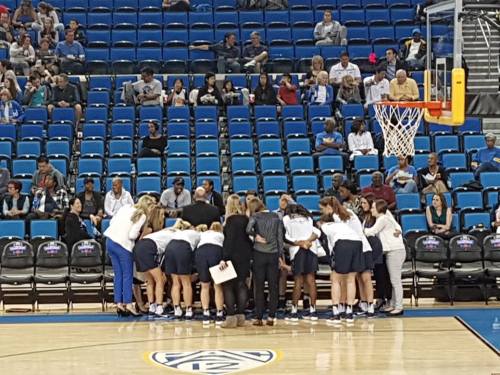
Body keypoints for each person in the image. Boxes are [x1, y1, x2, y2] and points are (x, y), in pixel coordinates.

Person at [319, 196, 371, 323]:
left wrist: (333, 261)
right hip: (358, 243)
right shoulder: (348, 214)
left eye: (322, 209)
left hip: (343, 244)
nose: (321, 212)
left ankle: (336, 312)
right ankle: (349, 312)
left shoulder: (327, 225)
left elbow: (332, 245)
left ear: (329, 208)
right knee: (350, 279)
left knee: (336, 279)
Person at [104, 195, 156, 317]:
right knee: (127, 275)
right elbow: (132, 235)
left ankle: (119, 303)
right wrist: (140, 233)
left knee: (118, 275)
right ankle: (128, 304)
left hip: (110, 241)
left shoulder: (125, 207)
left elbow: (112, 221)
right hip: (123, 245)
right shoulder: (142, 216)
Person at [364, 199, 405, 316]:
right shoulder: (384, 217)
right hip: (392, 251)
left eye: (373, 208)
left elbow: (371, 231)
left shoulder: (382, 219)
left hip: (395, 251)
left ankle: (399, 306)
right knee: (393, 280)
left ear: (378, 209)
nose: (371, 209)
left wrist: (359, 230)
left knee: (395, 281)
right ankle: (392, 304)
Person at [246, 197, 283, 326]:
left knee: (259, 287)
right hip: (273, 254)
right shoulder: (276, 216)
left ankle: (258, 317)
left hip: (259, 253)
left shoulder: (255, 216)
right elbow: (280, 238)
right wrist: (280, 256)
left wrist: (256, 235)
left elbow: (247, 230)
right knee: (273, 287)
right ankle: (272, 316)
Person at [283, 204, 322, 321]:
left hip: (297, 251)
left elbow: (285, 237)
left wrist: (299, 243)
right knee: (311, 280)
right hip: (311, 249)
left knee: (298, 281)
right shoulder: (309, 218)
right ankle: (313, 311)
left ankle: (294, 311)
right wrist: (307, 241)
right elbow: (317, 232)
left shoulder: (286, 219)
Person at [219, 195, 253, 328]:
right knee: (241, 284)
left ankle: (230, 317)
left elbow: (229, 241)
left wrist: (224, 257)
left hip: (232, 255)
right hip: (245, 255)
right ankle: (241, 316)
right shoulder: (246, 219)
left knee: (228, 286)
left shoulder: (230, 220)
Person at [132, 206, 171, 316]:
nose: (164, 217)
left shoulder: (158, 230)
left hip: (141, 252)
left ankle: (152, 306)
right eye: (162, 215)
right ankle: (159, 307)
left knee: (150, 281)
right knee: (160, 280)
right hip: (146, 251)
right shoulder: (149, 229)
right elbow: (143, 242)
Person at [164, 220, 202, 319]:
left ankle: (177, 309)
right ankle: (188, 309)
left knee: (175, 282)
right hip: (183, 247)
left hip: (170, 247)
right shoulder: (195, 233)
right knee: (186, 282)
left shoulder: (177, 232)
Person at [360, 194, 390, 312]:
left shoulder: (378, 216)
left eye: (364, 203)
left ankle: (382, 298)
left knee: (380, 274)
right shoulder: (365, 217)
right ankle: (365, 299)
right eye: (361, 203)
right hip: (368, 248)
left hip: (378, 248)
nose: (362, 205)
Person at [196, 221, 225, 325]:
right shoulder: (221, 235)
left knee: (204, 286)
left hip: (201, 252)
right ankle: (219, 313)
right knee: (217, 285)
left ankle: (206, 313)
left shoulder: (203, 234)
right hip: (215, 251)